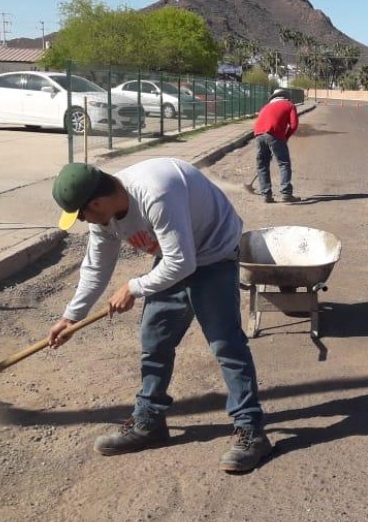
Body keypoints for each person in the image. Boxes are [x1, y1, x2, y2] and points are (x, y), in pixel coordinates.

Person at [47, 158, 271, 472]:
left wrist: (134, 287)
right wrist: (72, 317)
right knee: (154, 339)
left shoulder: (155, 193)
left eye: (82, 214)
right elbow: (96, 269)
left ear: (96, 203)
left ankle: (251, 430)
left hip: (214, 251)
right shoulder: (104, 218)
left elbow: (183, 264)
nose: (84, 221)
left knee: (226, 344)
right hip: (177, 255)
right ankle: (149, 422)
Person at [253, 88, 300, 203]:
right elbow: (293, 125)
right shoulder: (289, 105)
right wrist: (285, 137)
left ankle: (266, 195)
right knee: (284, 163)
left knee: (262, 164)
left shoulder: (265, 107)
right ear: (286, 97)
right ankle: (286, 193)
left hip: (258, 134)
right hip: (274, 133)